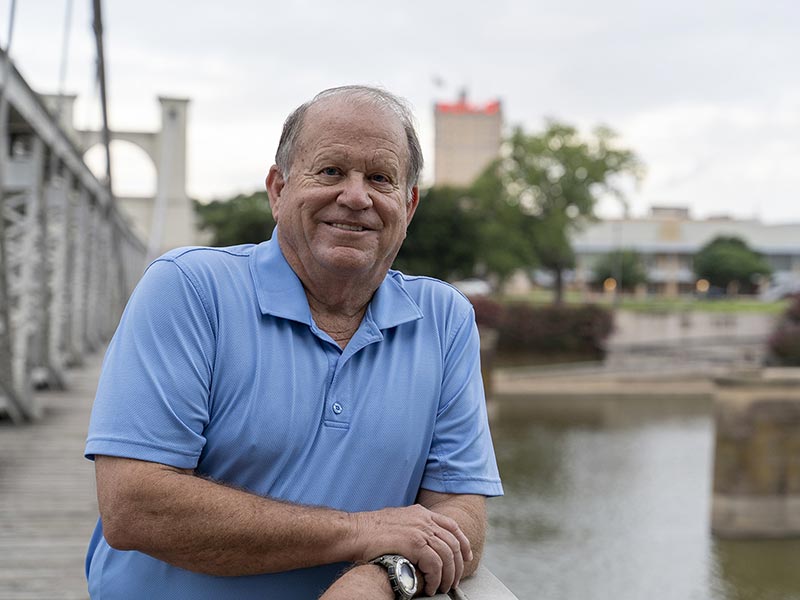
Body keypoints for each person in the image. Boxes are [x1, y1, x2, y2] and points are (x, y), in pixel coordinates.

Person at [84, 85, 503, 600]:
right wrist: (358, 533)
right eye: (330, 171)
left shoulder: (446, 319)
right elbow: (134, 507)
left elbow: (460, 516)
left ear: (408, 204)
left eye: (380, 177)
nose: (355, 196)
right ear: (278, 189)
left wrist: (383, 574)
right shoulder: (188, 289)